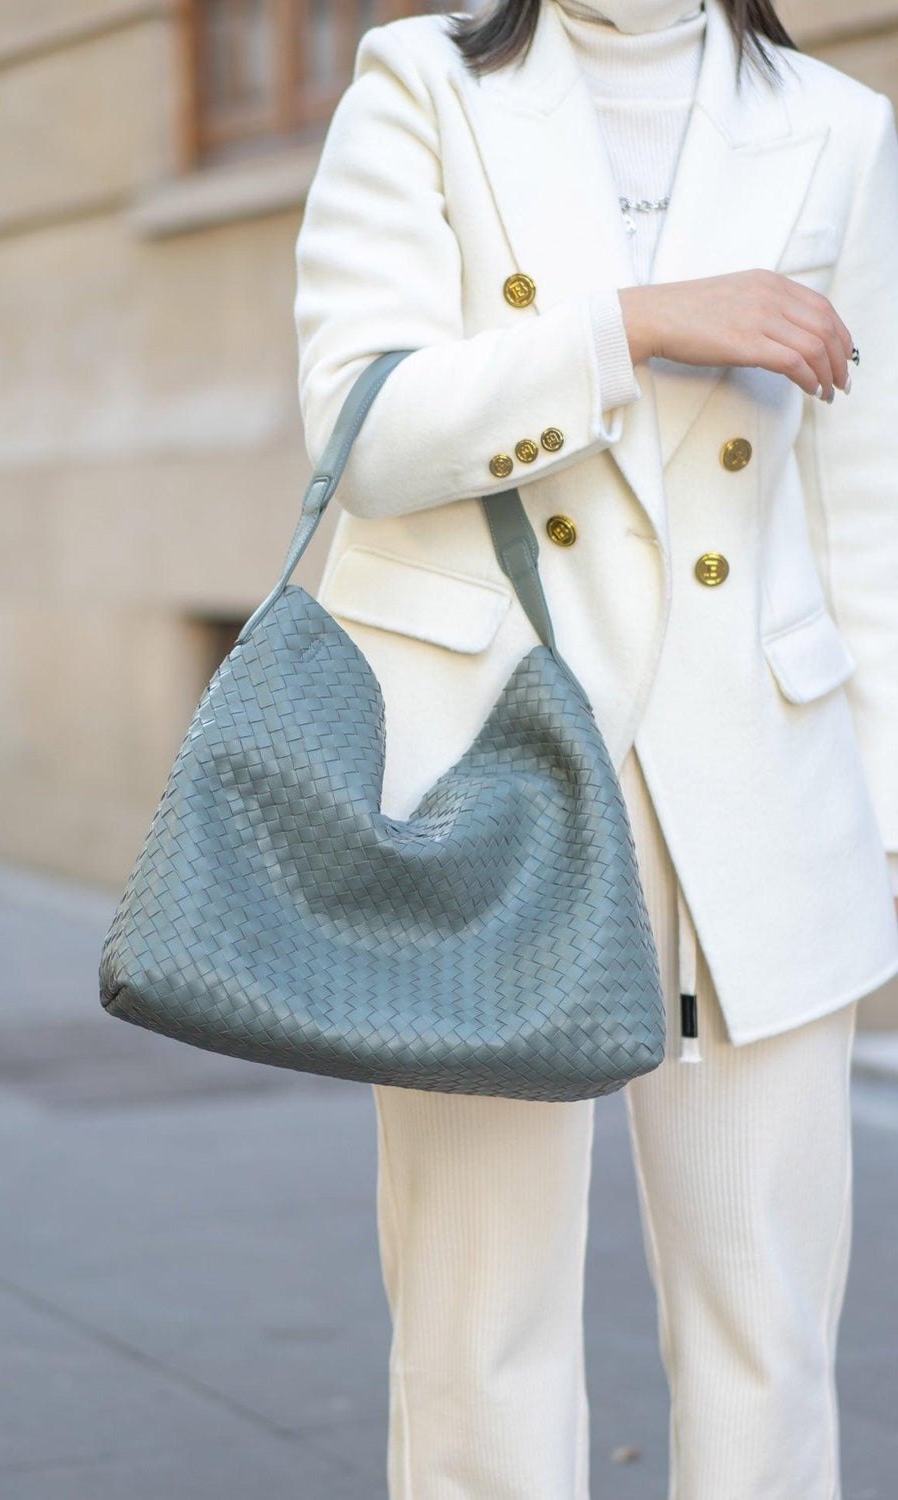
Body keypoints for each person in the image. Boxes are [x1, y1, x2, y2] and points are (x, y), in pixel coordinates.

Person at [292, 0, 898, 1494]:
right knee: (474, 1339)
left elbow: (871, 507)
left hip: (758, 792)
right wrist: (630, 327)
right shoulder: (421, 81)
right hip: (490, 786)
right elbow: (362, 435)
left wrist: (884, 816)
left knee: (770, 1335)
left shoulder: (840, 123)